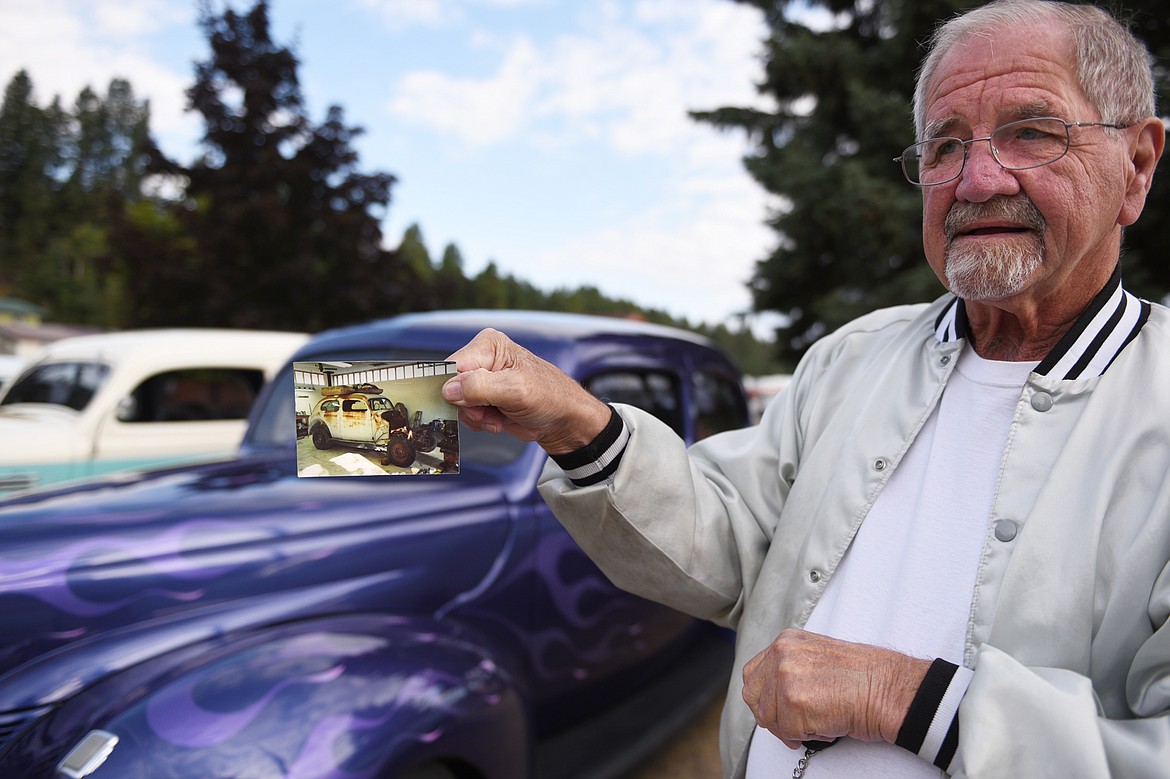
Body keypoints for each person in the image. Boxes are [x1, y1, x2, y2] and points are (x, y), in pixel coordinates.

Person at [441, 1, 1169, 776]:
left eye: (1032, 131)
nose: (976, 179)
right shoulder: (854, 357)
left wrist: (904, 697)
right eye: (944, 145)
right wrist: (576, 420)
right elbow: (730, 546)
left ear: (1138, 165)